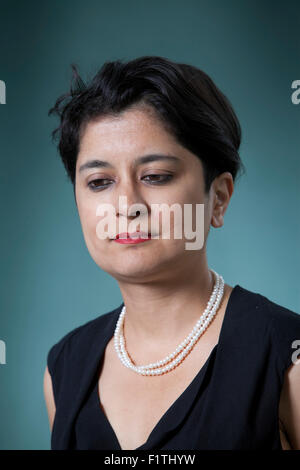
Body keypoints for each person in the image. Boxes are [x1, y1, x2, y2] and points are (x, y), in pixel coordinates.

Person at [43, 55, 300, 450]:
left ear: (218, 197)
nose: (127, 204)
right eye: (99, 182)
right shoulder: (64, 366)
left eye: (156, 176)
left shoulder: (287, 357)